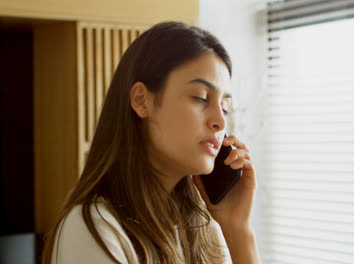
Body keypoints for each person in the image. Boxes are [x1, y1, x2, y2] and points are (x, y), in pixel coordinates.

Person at [41, 21, 261, 264]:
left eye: (225, 107)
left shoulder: (203, 229)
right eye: (200, 98)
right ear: (141, 100)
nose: (220, 121)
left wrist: (238, 228)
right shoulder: (94, 229)